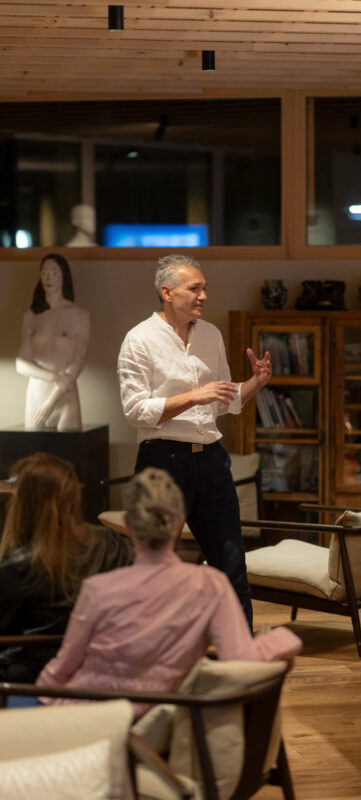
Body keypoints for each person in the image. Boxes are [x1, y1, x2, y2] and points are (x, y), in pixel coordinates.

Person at [37, 468, 302, 717]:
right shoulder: (211, 585)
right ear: (178, 522)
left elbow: (61, 671)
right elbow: (241, 662)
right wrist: (283, 639)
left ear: (128, 525)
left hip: (89, 722)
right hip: (156, 724)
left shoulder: (98, 589)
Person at [117, 254, 272, 628]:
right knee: (154, 566)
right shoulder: (139, 340)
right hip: (163, 462)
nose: (203, 295)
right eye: (195, 288)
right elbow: (136, 411)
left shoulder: (211, 334)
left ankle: (242, 657)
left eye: (205, 288)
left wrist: (255, 384)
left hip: (212, 461)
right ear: (166, 292)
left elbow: (222, 400)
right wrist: (194, 396)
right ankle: (152, 655)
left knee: (231, 561)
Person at [0, 452, 133, 683]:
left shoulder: (20, 566)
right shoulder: (110, 543)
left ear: (23, 502)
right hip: (102, 669)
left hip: (31, 678)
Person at [16, 253, 90, 431]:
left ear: (64, 276)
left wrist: (52, 400)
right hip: (37, 395)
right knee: (34, 457)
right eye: (44, 273)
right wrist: (55, 377)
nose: (48, 277)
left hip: (64, 397)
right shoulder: (31, 316)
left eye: (54, 272)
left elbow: (78, 359)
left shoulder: (79, 315)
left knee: (69, 455)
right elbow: (21, 363)